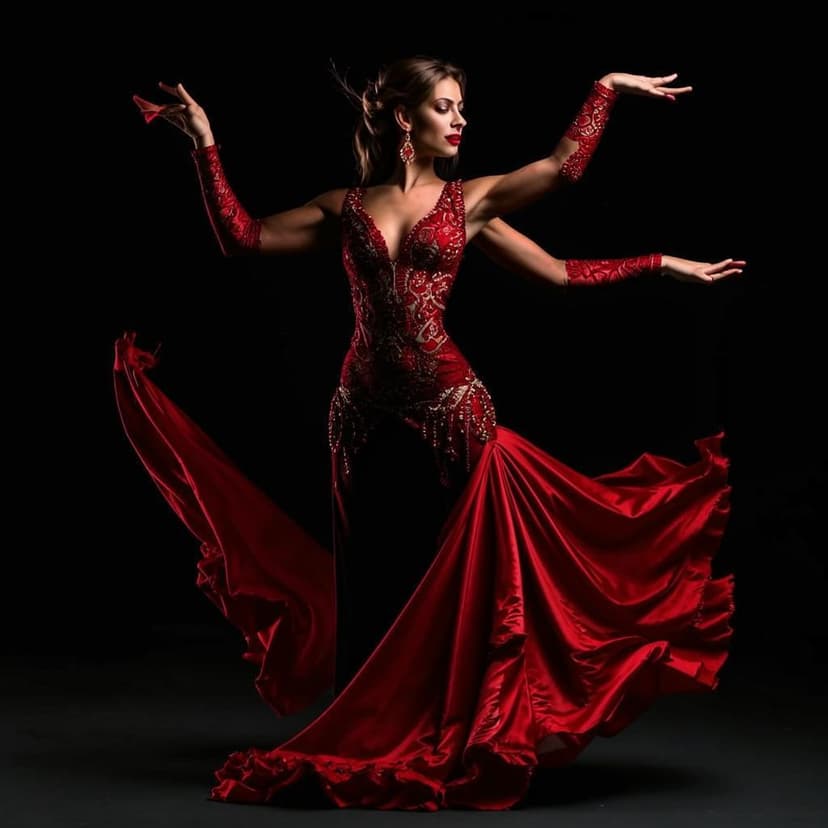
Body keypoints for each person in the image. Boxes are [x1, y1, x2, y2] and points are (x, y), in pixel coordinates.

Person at [118, 55, 743, 811]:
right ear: (402, 116)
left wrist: (611, 115)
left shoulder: (469, 200)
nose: (461, 120)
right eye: (446, 106)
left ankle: (461, 728)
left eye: (461, 107)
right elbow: (242, 238)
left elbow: (559, 221)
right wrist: (205, 143)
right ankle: (369, 726)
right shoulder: (343, 206)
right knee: (373, 578)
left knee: (469, 576)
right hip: (359, 414)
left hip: (453, 411)